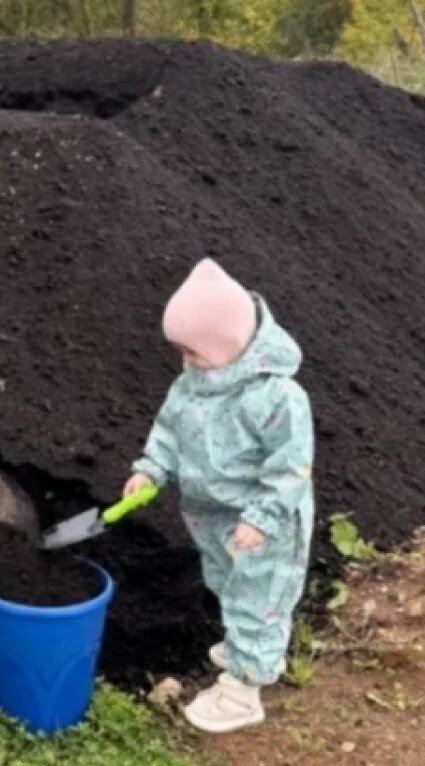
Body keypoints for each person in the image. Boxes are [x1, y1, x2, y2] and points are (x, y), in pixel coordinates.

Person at [123, 257, 315, 733]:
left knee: (258, 597)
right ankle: (248, 650)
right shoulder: (191, 385)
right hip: (213, 516)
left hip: (263, 523)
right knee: (229, 583)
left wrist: (263, 518)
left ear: (228, 343)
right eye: (182, 352)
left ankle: (243, 691)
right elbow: (168, 432)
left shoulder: (277, 398)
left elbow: (291, 468)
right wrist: (150, 470)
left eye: (194, 352)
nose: (186, 361)